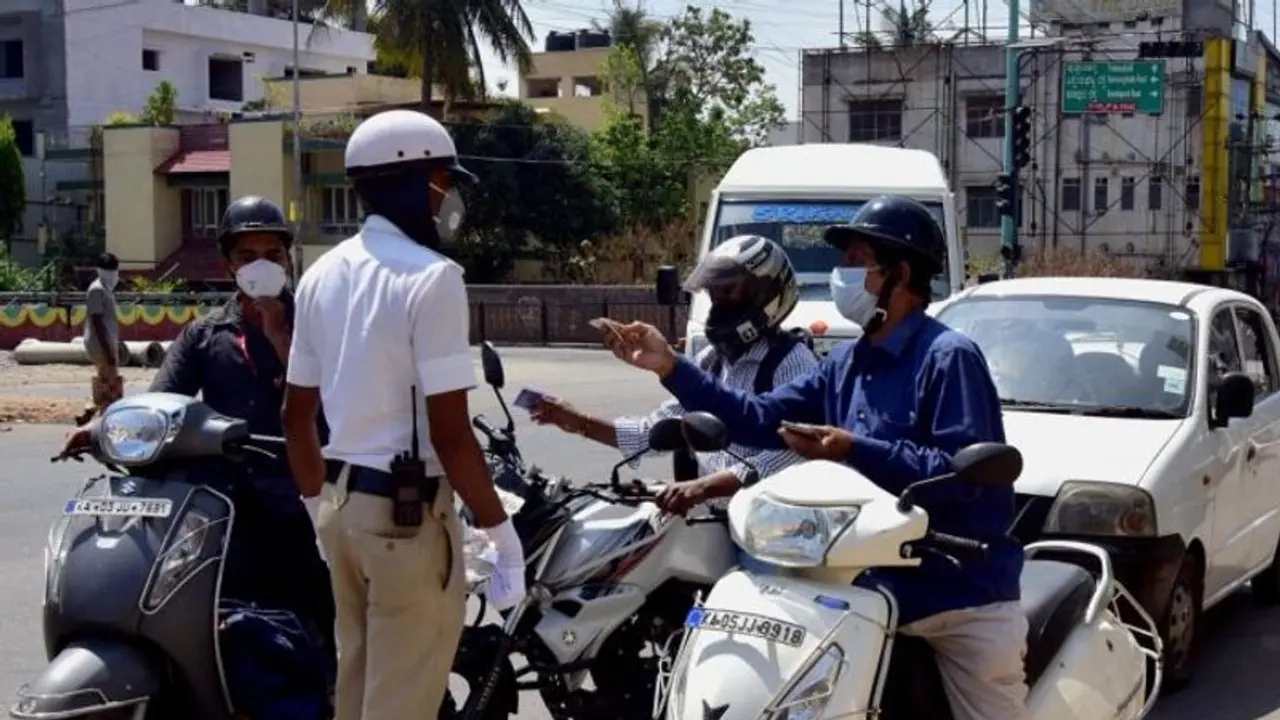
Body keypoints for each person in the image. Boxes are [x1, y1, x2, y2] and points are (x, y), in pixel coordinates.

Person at [605, 196, 1027, 720]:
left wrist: (854, 449)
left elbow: (959, 473)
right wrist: (670, 366)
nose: (840, 275)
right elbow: (757, 417)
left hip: (956, 591)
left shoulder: (949, 358)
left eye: (855, 262)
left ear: (898, 273)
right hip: (859, 579)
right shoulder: (847, 361)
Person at [281, 108, 526, 720]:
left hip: (341, 509)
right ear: (413, 182)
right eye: (445, 182)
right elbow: (450, 434)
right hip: (405, 518)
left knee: (359, 693)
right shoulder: (433, 279)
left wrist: (319, 510)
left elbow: (295, 415)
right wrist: (502, 536)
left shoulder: (320, 275)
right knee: (402, 705)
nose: (448, 199)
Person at [59, 196, 337, 719]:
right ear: (228, 264)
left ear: (288, 260)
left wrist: (281, 340)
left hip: (312, 503)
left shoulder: (320, 326)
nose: (261, 264)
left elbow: (337, 409)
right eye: (248, 253)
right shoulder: (206, 335)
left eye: (272, 253)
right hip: (230, 510)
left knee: (328, 619)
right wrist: (103, 426)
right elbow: (162, 403)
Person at [530, 235, 818, 526]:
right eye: (714, 294)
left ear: (765, 293)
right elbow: (651, 433)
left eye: (729, 291)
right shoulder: (712, 360)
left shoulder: (792, 362)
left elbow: (793, 454)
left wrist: (705, 487)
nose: (719, 304)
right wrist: (576, 420)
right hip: (715, 519)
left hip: (769, 529)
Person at [79, 252, 122, 425]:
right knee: (110, 383)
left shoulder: (105, 289)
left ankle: (88, 413)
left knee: (105, 382)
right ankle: (108, 420)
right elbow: (96, 321)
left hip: (106, 342)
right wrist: (108, 351)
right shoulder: (97, 289)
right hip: (100, 344)